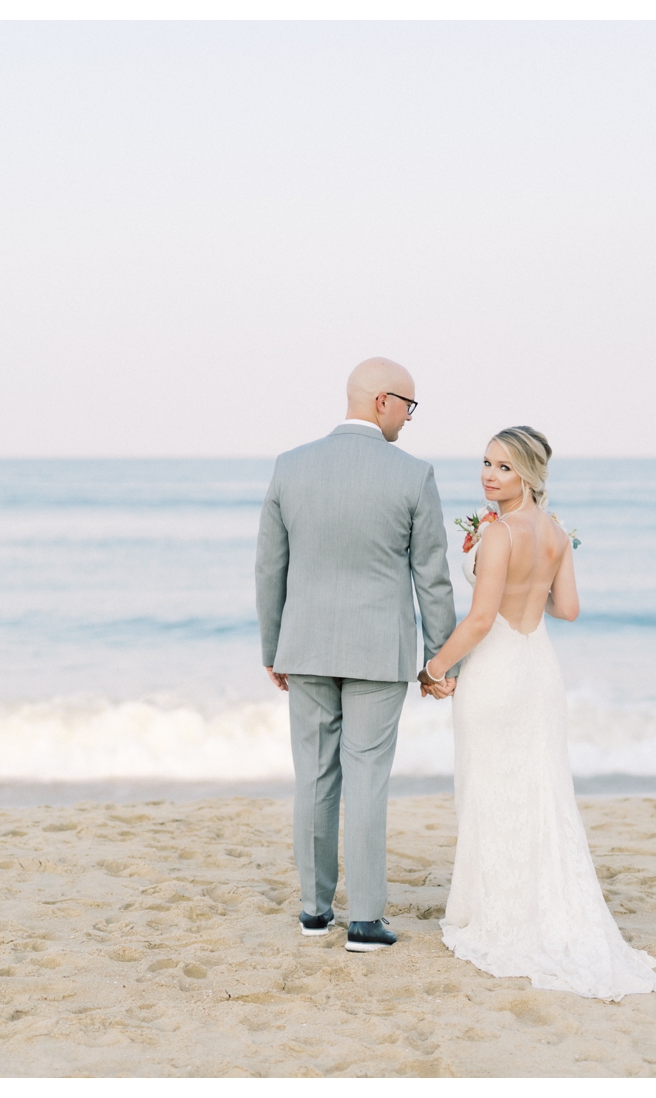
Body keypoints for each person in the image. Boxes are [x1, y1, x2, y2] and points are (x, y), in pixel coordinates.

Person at [419, 426, 656, 1000]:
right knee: (538, 788)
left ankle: (499, 914)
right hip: (538, 668)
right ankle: (536, 905)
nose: (488, 474)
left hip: (498, 669)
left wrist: (435, 668)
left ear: (529, 475)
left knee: (491, 786)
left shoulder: (503, 533)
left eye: (504, 467)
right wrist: (532, 591)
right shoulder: (556, 533)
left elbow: (481, 621)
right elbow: (570, 609)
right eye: (485, 462)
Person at [255, 357, 457, 953]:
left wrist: (273, 647)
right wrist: (440, 660)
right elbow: (433, 579)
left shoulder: (290, 468)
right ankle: (365, 920)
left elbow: (270, 568)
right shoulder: (413, 476)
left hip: (307, 645)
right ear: (381, 401)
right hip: (378, 651)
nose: (410, 418)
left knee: (314, 777)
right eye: (409, 406)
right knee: (367, 778)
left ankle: (315, 912)